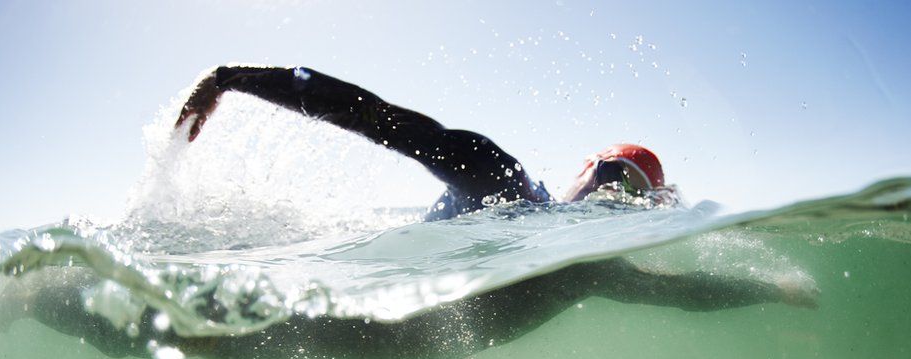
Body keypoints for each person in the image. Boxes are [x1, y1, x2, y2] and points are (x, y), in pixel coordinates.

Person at [175, 65, 666, 221]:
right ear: (586, 168)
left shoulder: (585, 264)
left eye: (637, 196)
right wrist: (231, 78)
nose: (616, 196)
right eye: (615, 176)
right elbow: (378, 119)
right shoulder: (503, 181)